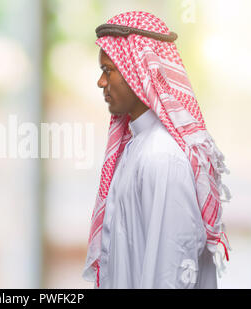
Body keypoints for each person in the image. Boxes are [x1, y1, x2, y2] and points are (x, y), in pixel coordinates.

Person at [82, 11, 232, 289]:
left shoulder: (162, 157)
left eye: (108, 70)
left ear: (136, 71)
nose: (101, 83)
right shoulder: (138, 146)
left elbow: (170, 275)